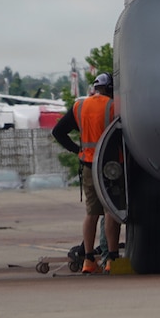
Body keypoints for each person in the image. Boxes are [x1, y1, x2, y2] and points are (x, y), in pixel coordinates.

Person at [51, 73, 120, 273]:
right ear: (109, 89)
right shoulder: (113, 106)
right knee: (111, 212)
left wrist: (77, 150)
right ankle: (112, 259)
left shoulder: (79, 106)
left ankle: (89, 260)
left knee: (91, 213)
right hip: (110, 167)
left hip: (88, 165)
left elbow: (58, 132)